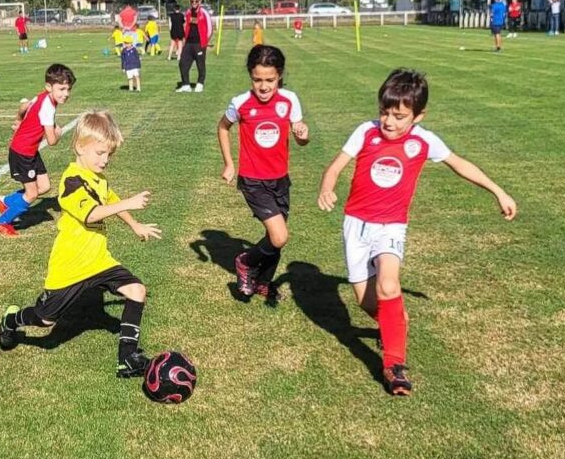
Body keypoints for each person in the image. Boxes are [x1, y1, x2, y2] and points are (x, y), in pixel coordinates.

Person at [317, 69, 517, 396]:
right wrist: (327, 187)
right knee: (368, 303)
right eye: (385, 112)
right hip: (355, 224)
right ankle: (396, 322)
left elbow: (460, 164)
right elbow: (336, 166)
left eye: (399, 116)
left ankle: (394, 366)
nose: (389, 122)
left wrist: (499, 191)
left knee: (388, 284)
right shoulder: (365, 132)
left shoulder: (424, 141)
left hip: (391, 226)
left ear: (418, 116)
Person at [0, 110, 162, 377]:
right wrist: (130, 202)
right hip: (70, 267)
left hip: (98, 260)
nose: (105, 160)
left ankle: (128, 359)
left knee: (136, 290)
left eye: (109, 154)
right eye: (100, 153)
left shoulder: (98, 179)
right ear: (80, 147)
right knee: (45, 319)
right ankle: (11, 320)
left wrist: (135, 224)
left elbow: (109, 199)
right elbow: (92, 213)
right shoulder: (71, 182)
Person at [218, 45, 309, 302]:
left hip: (280, 179)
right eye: (257, 80)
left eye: (270, 80)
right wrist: (229, 163)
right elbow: (223, 128)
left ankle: (263, 285)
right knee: (279, 236)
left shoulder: (290, 100)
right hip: (253, 180)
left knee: (275, 238)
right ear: (250, 76)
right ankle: (245, 262)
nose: (264, 86)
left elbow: (301, 138)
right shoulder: (241, 103)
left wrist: (303, 134)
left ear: (279, 75)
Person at [0, 63, 76, 237]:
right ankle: (0, 222)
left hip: (29, 151)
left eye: (68, 89)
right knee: (31, 194)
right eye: (61, 89)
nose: (66, 94)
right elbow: (51, 140)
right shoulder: (48, 107)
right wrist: (58, 132)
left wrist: (19, 120)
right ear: (48, 87)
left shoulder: (43, 97)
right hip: (22, 153)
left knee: (44, 187)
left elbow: (24, 107)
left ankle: (4, 200)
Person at [176, 0, 211, 93]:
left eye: (196, 1)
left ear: (199, 1)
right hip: (188, 43)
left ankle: (200, 84)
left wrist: (205, 40)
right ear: (190, 2)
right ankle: (186, 84)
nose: (194, 3)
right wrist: (183, 42)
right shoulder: (188, 12)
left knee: (200, 64)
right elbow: (186, 26)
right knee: (182, 63)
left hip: (199, 43)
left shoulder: (204, 12)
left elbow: (210, 28)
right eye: (192, 1)